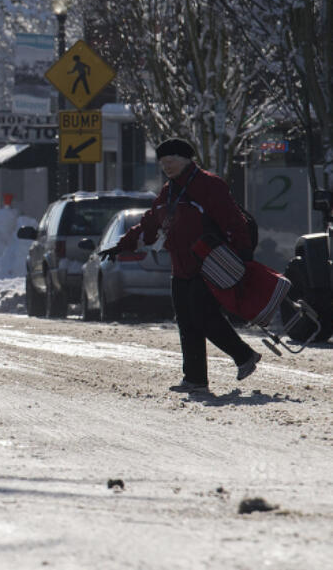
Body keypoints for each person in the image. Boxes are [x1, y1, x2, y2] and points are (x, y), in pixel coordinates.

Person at [99, 137, 261, 393]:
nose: (167, 167)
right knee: (187, 322)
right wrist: (122, 245)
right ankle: (195, 379)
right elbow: (150, 224)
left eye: (171, 161)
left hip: (209, 264)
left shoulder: (210, 185)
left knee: (204, 317)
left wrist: (243, 254)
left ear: (186, 159)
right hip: (180, 267)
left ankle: (244, 356)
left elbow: (233, 221)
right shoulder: (169, 190)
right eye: (163, 163)